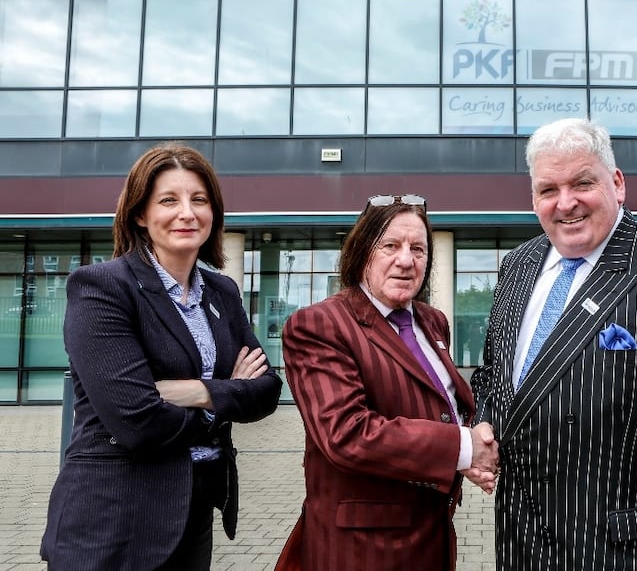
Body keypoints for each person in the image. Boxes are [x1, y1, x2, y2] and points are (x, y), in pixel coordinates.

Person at [471, 118, 637, 570]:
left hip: (618, 551)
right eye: (548, 189)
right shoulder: (517, 265)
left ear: (617, 183)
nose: (566, 203)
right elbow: (495, 374)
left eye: (582, 183)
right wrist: (484, 421)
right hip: (522, 543)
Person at [40, 143, 283, 570]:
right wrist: (225, 396)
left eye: (199, 200)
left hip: (194, 511)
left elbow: (266, 390)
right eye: (168, 200)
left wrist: (192, 391)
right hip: (114, 519)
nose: (187, 213)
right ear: (139, 213)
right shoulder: (102, 288)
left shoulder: (222, 292)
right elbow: (136, 419)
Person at [280, 194, 498, 571]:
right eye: (390, 246)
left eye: (418, 248)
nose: (405, 260)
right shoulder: (320, 325)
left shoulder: (432, 321)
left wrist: (472, 447)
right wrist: (463, 449)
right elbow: (347, 434)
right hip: (362, 549)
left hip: (432, 535)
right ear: (363, 251)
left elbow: (439, 407)